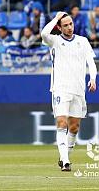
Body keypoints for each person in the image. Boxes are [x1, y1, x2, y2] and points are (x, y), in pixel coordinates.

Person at [41, 12, 97, 171]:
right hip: (60, 89)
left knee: (74, 128)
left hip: (78, 90)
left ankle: (64, 155)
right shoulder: (54, 41)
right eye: (65, 25)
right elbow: (44, 33)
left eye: (70, 24)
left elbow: (91, 63)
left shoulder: (83, 41)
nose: (69, 27)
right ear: (59, 27)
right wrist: (56, 18)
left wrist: (93, 79)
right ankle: (65, 162)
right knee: (61, 123)